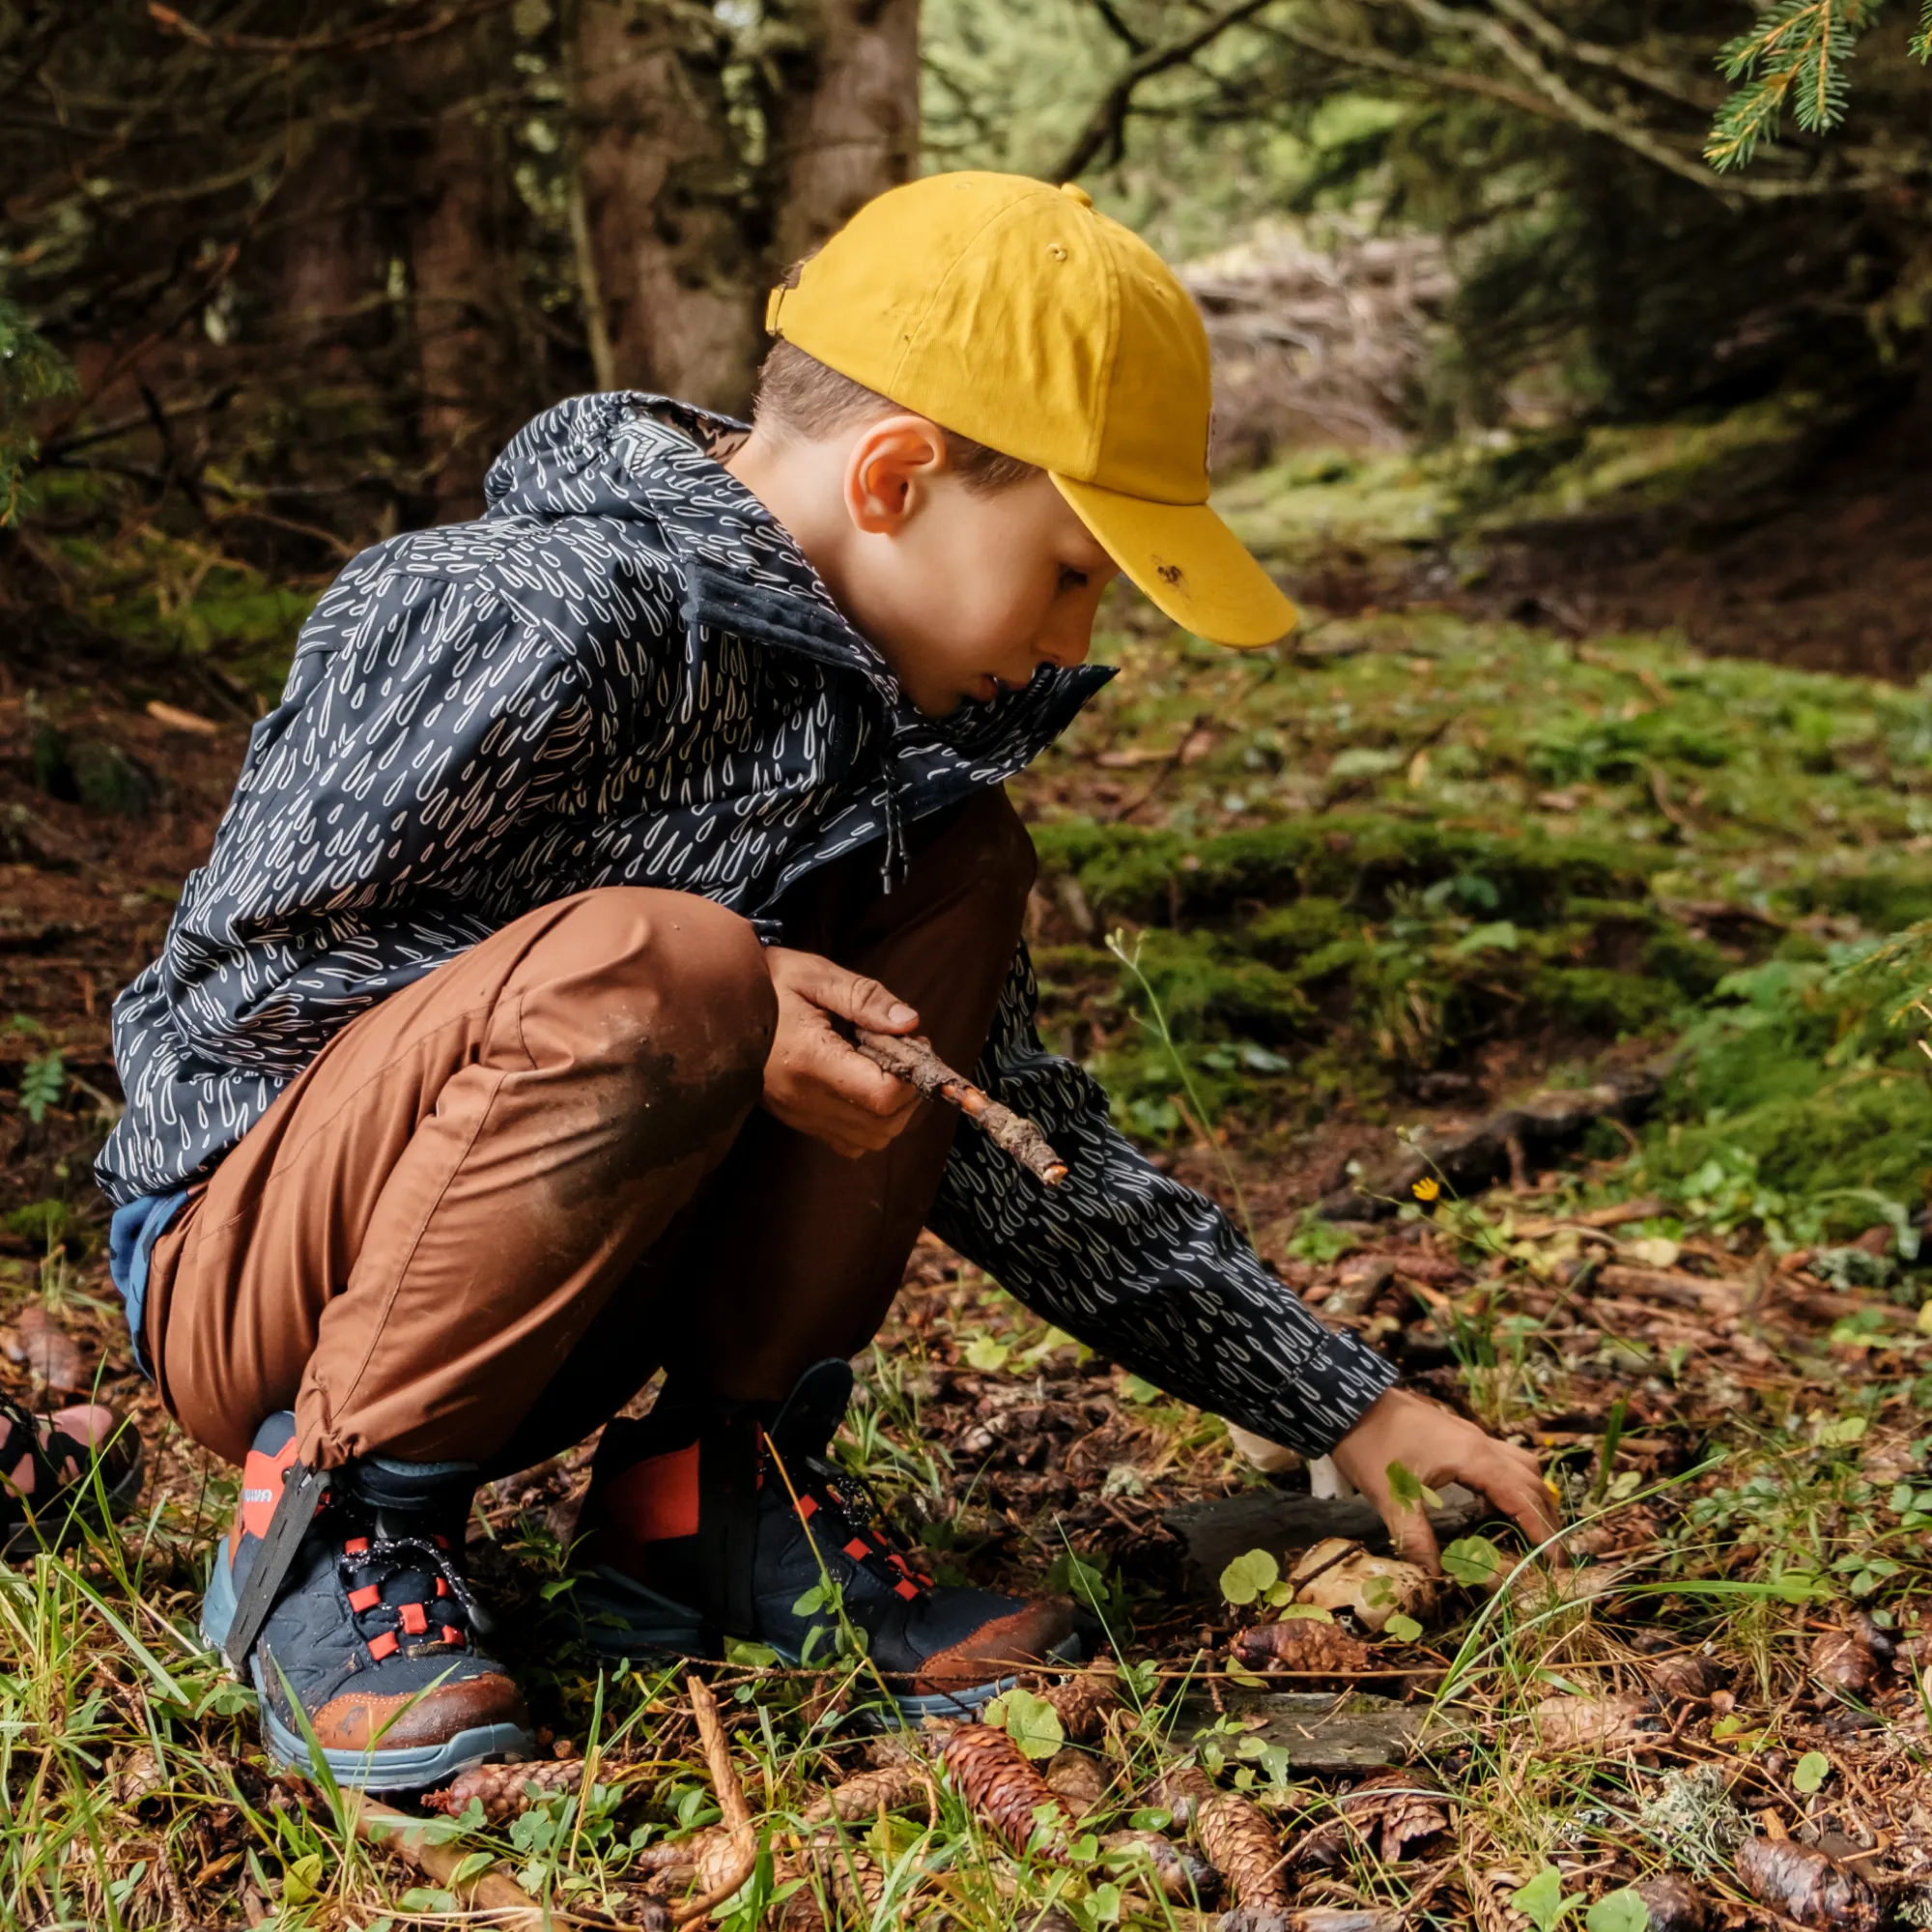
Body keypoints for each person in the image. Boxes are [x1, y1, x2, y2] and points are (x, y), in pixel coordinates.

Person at [97, 171, 1559, 1792]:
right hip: (266, 1288)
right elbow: (238, 1002)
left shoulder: (895, 762)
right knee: (674, 958)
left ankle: (705, 1507)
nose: (1080, 643)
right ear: (895, 475)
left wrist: (1344, 1404)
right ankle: (324, 1535)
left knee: (958, 864)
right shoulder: (516, 612)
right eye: (1073, 572)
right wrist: (708, 993)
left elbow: (1009, 1137)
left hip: (564, 1292)